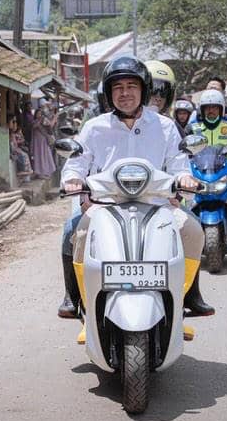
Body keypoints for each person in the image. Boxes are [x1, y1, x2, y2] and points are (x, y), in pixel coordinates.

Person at [57, 56, 215, 318]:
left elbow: (179, 164)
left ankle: (189, 293)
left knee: (193, 231)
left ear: (144, 90)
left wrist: (185, 180)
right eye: (118, 87)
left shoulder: (165, 127)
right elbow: (76, 162)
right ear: (108, 93)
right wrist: (72, 179)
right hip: (105, 206)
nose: (125, 93)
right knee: (73, 232)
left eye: (132, 86)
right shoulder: (94, 128)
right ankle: (75, 297)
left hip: (157, 205)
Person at [186, 89, 227, 220]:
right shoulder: (193, 127)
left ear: (221, 109)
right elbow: (181, 143)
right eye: (207, 108)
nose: (211, 111)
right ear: (202, 110)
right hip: (199, 169)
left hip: (225, 168)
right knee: (184, 185)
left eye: (214, 107)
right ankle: (184, 217)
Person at [31, 99, 57, 179]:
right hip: (36, 141)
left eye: (40, 113)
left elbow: (50, 126)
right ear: (35, 114)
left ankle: (45, 172)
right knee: (38, 156)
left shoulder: (44, 120)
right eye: (38, 113)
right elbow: (33, 127)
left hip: (43, 140)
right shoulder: (34, 121)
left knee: (44, 155)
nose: (39, 115)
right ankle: (39, 172)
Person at [8, 116, 33, 183]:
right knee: (23, 155)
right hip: (12, 150)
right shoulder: (9, 133)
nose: (15, 124)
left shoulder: (13, 133)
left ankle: (25, 174)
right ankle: (22, 171)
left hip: (15, 149)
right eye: (13, 122)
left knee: (25, 154)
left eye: (15, 122)